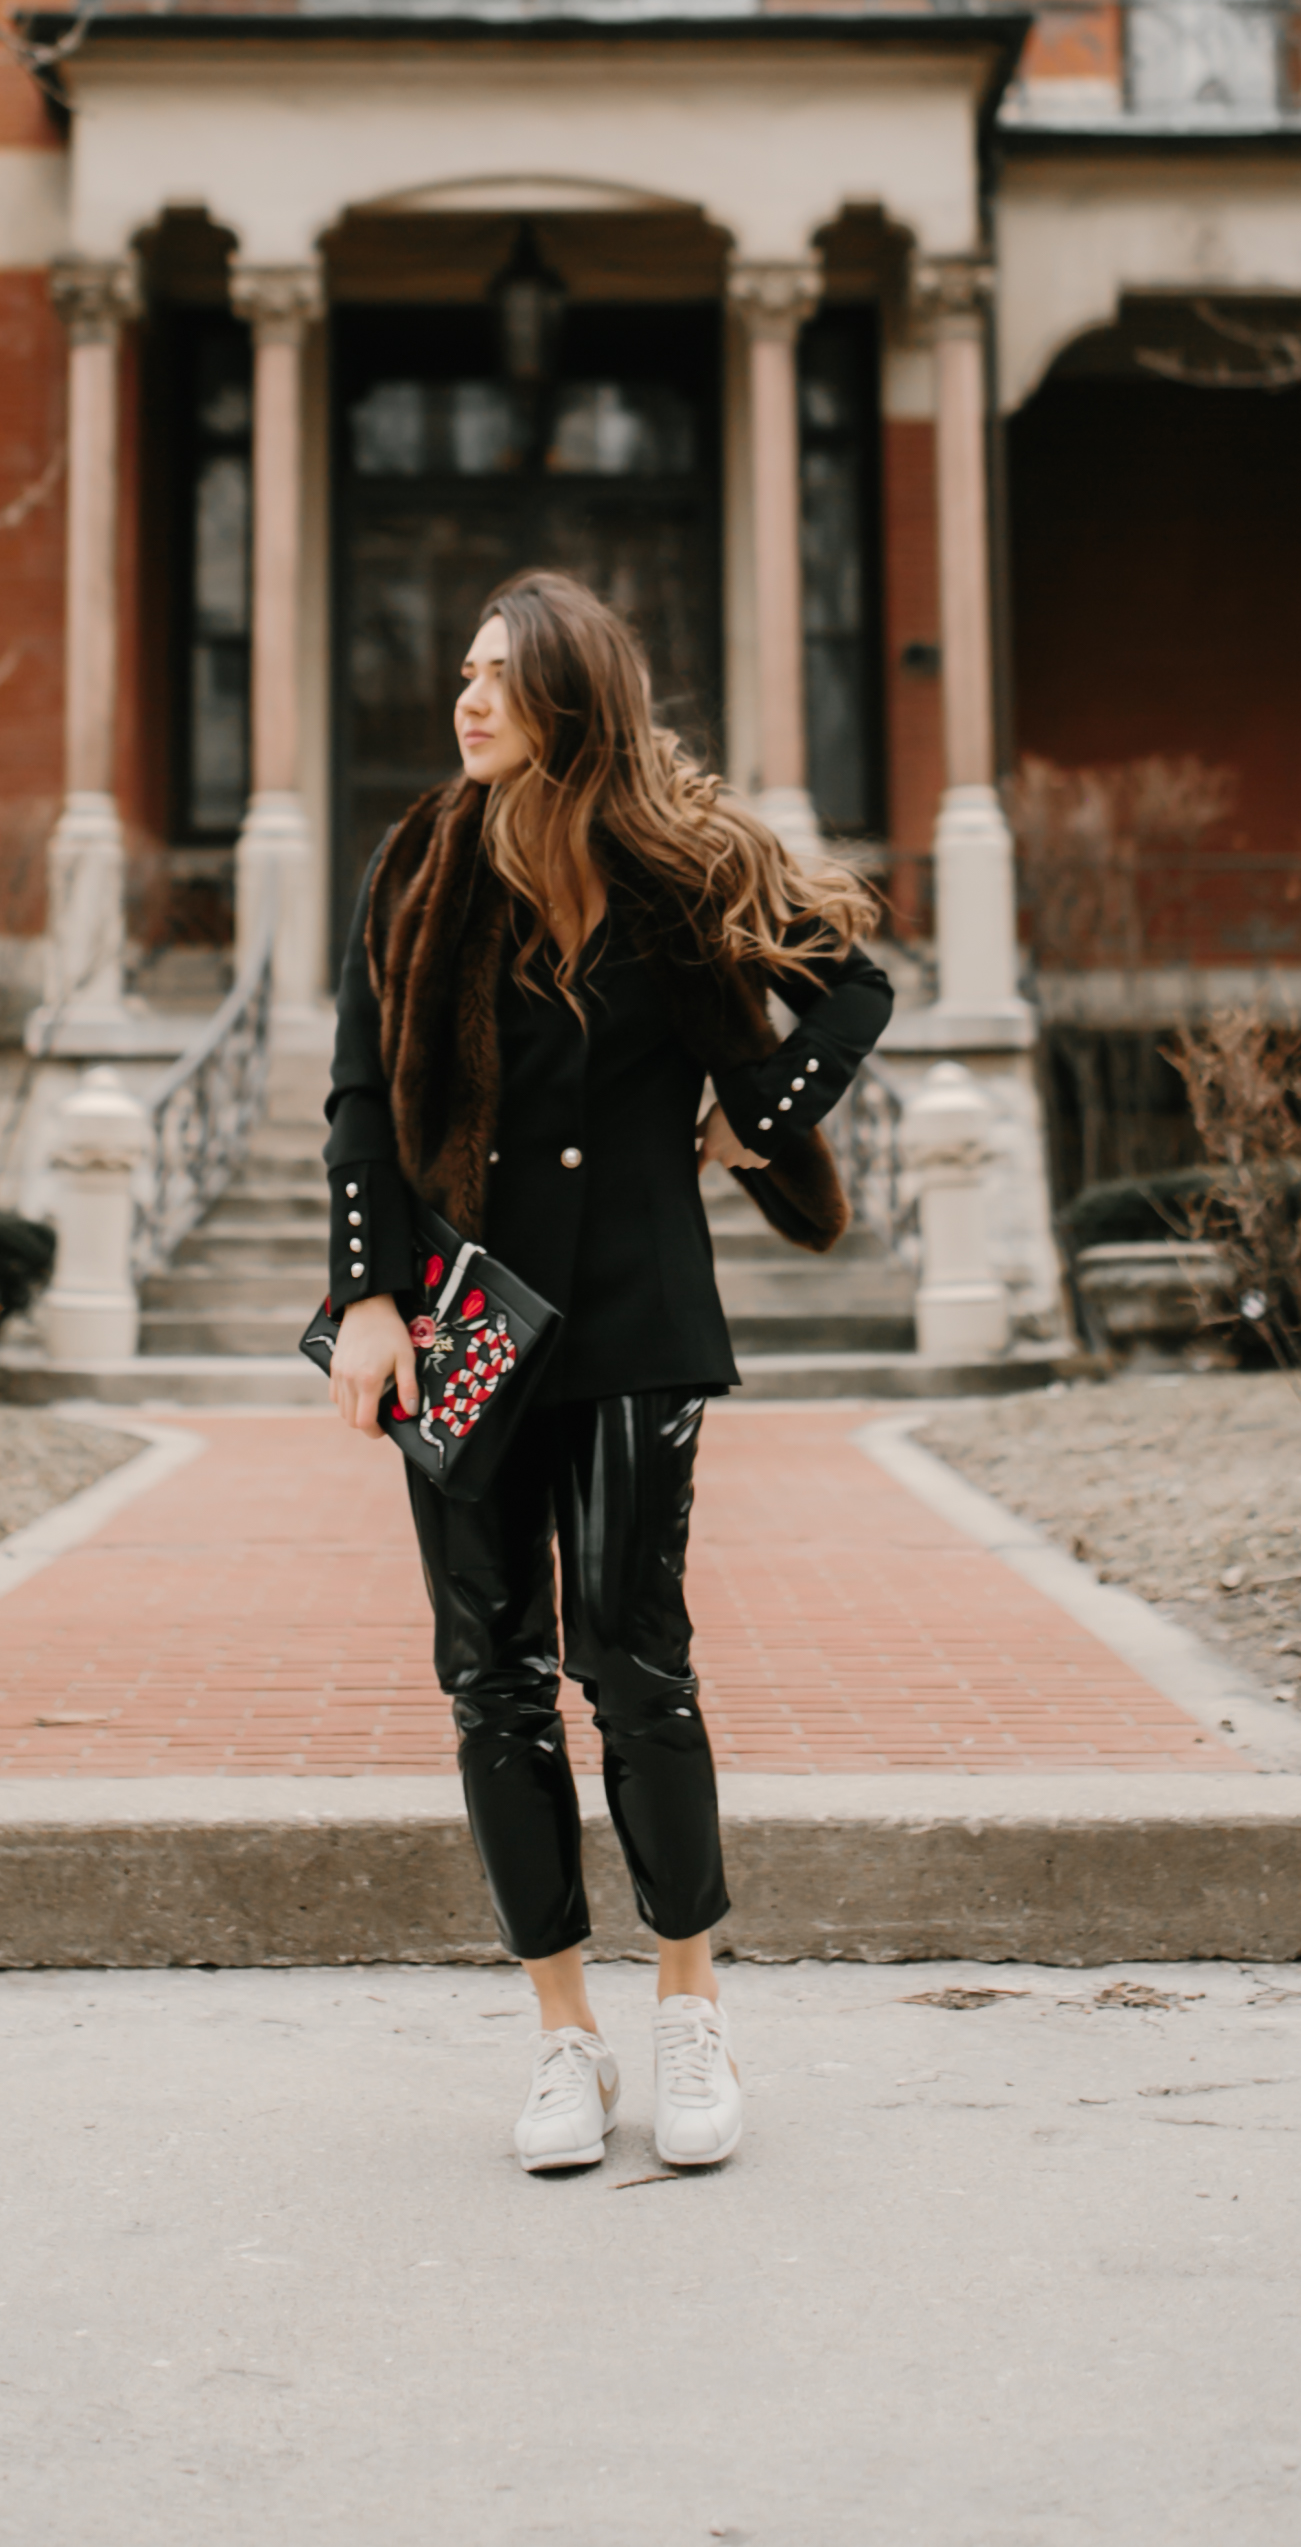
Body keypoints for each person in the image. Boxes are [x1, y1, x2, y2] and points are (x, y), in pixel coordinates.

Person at [323, 566, 894, 2173]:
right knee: (489, 1685)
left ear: (576, 693)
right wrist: (369, 1298)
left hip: (638, 1318)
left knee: (636, 1671)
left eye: (502, 672)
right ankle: (564, 2035)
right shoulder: (421, 858)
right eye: (463, 666)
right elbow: (362, 1090)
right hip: (463, 1325)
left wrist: (755, 1120)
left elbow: (855, 983)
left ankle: (692, 2007)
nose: (468, 694)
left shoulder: (675, 859)